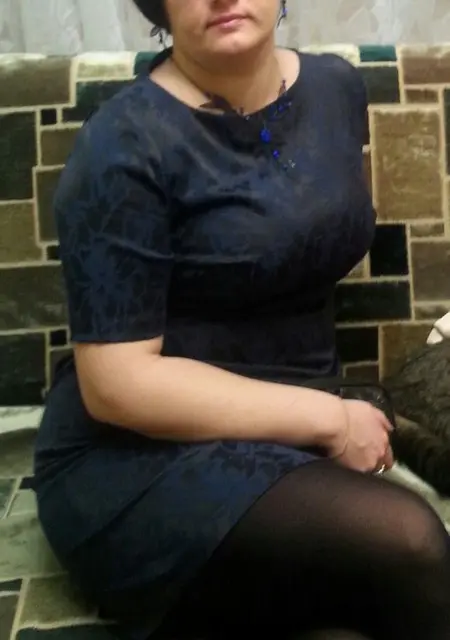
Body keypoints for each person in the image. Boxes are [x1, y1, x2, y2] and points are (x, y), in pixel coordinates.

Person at [33, 0, 450, 639]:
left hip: (293, 412)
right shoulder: (121, 144)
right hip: (142, 452)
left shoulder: (335, 88)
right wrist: (331, 420)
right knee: (410, 541)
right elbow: (116, 385)